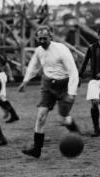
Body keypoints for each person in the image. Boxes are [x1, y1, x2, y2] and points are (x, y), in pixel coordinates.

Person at [18, 27, 80, 159]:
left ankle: (74, 129)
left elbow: (73, 71)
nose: (42, 41)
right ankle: (36, 149)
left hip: (64, 85)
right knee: (41, 116)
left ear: (50, 37)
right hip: (47, 85)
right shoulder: (39, 51)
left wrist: (72, 92)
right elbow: (33, 65)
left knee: (63, 116)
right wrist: (25, 81)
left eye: (44, 38)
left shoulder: (61, 50)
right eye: (39, 38)